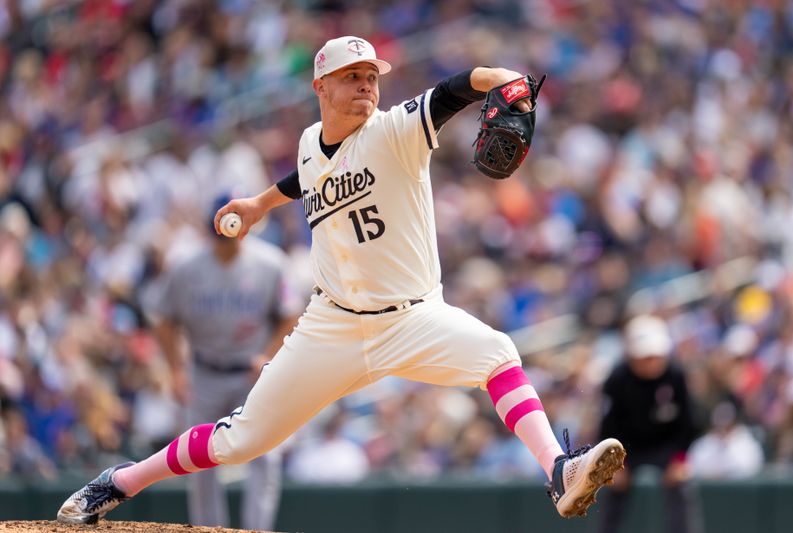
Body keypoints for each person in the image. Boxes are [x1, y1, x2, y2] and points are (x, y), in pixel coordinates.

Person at [57, 36, 625, 524]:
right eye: (350, 77)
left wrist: (500, 78)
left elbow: (455, 89)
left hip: (412, 318)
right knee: (241, 442)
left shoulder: (396, 131)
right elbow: (307, 174)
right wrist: (259, 203)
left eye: (370, 76)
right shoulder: (309, 142)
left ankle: (558, 469)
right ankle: (122, 482)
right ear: (320, 87)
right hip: (330, 326)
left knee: (498, 353)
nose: (365, 86)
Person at [147, 195, 299, 530]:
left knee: (264, 455)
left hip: (252, 375)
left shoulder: (271, 263)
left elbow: (290, 314)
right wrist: (175, 369)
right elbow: (163, 319)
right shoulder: (187, 268)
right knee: (198, 461)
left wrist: (268, 354)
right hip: (205, 373)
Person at [597, 314, 700, 533]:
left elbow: (689, 422)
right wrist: (612, 464)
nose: (651, 362)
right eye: (645, 357)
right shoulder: (617, 379)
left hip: (666, 446)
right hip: (625, 450)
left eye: (656, 356)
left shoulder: (675, 376)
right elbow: (607, 425)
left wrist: (680, 458)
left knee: (682, 486)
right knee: (610, 487)